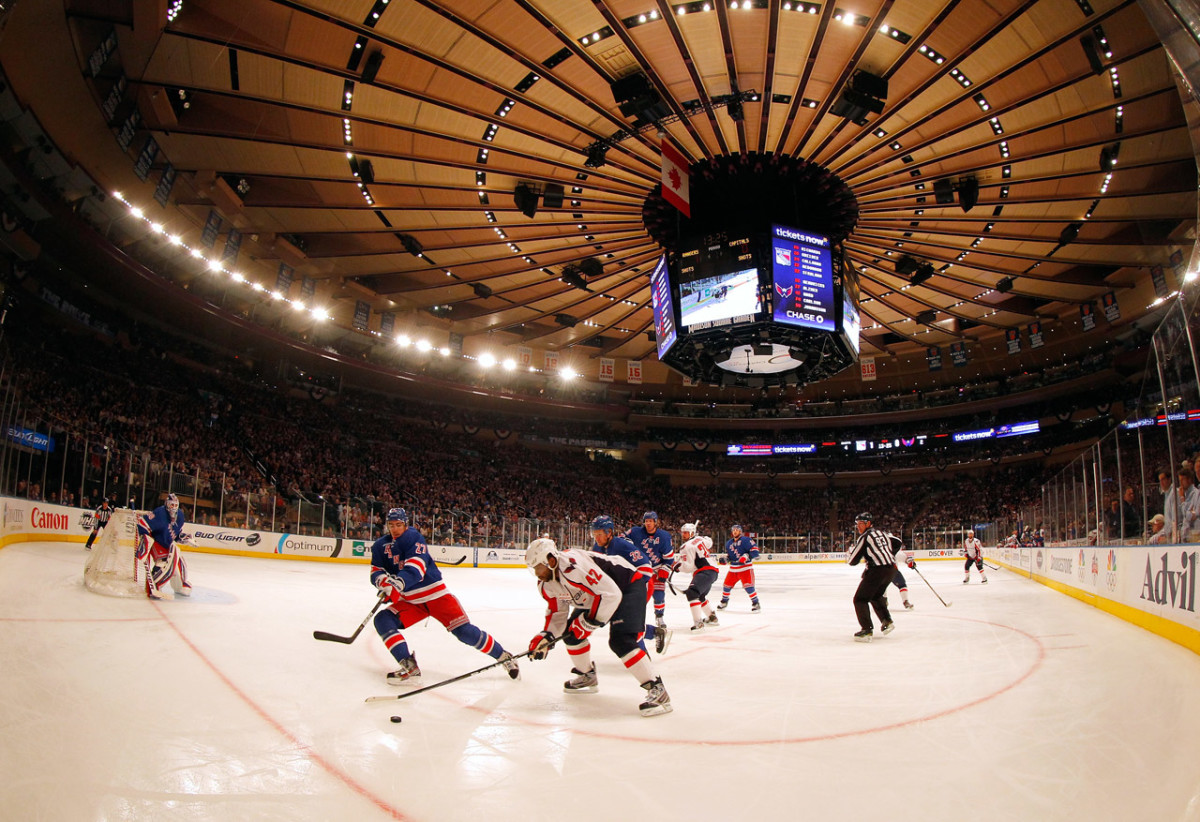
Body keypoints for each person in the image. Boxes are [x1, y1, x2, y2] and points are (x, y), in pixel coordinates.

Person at [369, 507, 518, 685]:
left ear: (406, 524)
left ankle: (503, 656)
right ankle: (409, 666)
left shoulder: (413, 537)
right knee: (382, 620)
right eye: (391, 525)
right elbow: (376, 571)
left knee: (464, 632)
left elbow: (415, 570)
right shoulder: (380, 545)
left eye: (399, 525)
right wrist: (384, 583)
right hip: (411, 601)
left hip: (436, 595)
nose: (395, 529)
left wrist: (396, 584)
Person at [525, 536, 671, 717]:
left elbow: (611, 594)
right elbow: (557, 614)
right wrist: (546, 636)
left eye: (538, 567)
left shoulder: (573, 566)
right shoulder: (546, 585)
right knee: (571, 635)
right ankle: (587, 675)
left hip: (628, 585)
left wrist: (587, 623)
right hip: (597, 595)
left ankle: (657, 689)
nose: (537, 574)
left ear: (551, 560)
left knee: (622, 640)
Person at [589, 514, 669, 654]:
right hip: (621, 590)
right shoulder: (597, 547)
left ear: (609, 532)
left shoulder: (621, 545)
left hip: (640, 586)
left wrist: (633, 592)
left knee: (630, 626)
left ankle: (644, 662)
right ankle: (654, 632)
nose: (597, 538)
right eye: (594, 534)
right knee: (621, 622)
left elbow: (646, 567)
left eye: (600, 534)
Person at [846, 512, 895, 642]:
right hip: (891, 570)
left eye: (861, 523)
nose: (858, 527)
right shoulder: (882, 534)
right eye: (857, 524)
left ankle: (866, 630)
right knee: (875, 595)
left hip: (877, 571)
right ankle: (887, 620)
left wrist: (850, 554)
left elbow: (852, 560)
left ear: (868, 523)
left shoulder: (865, 537)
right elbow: (894, 545)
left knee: (860, 599)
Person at [136, 493, 193, 599]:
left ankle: (180, 586)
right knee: (164, 563)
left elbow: (174, 534)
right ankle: (154, 585)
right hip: (156, 542)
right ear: (167, 504)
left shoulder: (180, 515)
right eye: (171, 505)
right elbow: (142, 523)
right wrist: (144, 541)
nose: (174, 508)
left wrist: (183, 538)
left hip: (168, 544)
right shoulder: (159, 513)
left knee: (179, 563)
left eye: (175, 505)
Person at [626, 511, 674, 632]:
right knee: (637, 595)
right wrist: (629, 544)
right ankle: (634, 618)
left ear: (656, 522)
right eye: (646, 521)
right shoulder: (635, 532)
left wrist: (665, 569)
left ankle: (659, 617)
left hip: (656, 569)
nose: (648, 523)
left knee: (658, 594)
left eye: (650, 521)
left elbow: (669, 558)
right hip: (641, 568)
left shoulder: (664, 536)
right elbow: (622, 538)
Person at [673, 522, 720, 630]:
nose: (683, 535)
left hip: (704, 571)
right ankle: (712, 618)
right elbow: (709, 542)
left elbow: (689, 567)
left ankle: (698, 622)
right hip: (712, 571)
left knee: (692, 593)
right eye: (683, 532)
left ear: (692, 533)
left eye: (686, 533)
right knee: (700, 596)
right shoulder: (700, 539)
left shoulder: (685, 546)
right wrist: (704, 537)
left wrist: (677, 568)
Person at [717, 523, 761, 612]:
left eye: (737, 530)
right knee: (726, 586)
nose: (735, 532)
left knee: (749, 587)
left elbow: (755, 551)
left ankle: (756, 603)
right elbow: (730, 556)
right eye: (733, 530)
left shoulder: (746, 540)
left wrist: (747, 556)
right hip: (733, 569)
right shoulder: (729, 543)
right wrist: (726, 559)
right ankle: (724, 601)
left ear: (740, 531)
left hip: (745, 568)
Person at [885, 531, 915, 609]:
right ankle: (884, 601)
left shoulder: (894, 551)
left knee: (901, 584)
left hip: (892, 571)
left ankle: (905, 601)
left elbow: (905, 557)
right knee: (882, 587)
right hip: (888, 571)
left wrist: (910, 562)